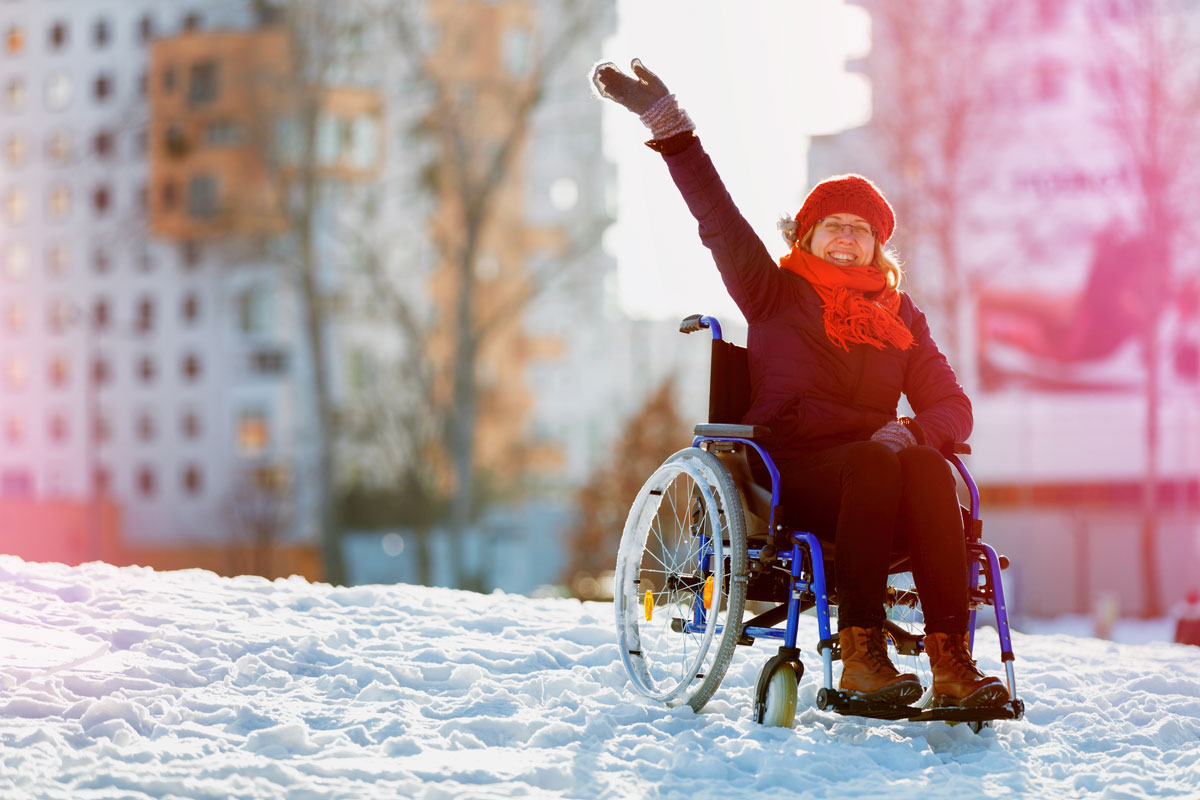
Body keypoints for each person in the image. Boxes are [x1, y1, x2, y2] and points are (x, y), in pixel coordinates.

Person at [593, 59, 1007, 709]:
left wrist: (916, 429)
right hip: (790, 475)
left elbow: (951, 404)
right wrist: (669, 127)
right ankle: (862, 658)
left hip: (880, 474)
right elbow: (718, 221)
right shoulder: (773, 293)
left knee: (928, 466)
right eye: (834, 226)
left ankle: (951, 663)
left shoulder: (899, 318)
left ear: (877, 247)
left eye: (861, 230)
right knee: (878, 462)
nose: (847, 239)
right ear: (808, 234)